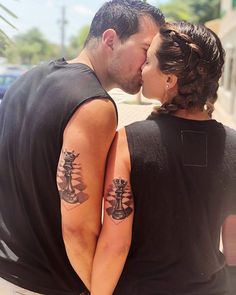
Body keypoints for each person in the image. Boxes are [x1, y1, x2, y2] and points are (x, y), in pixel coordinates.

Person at [0, 1, 164, 294]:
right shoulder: (94, 106)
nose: (149, 64)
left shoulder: (27, 81)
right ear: (110, 39)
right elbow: (78, 229)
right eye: (145, 50)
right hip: (47, 283)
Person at [91, 22, 236, 295]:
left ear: (170, 79)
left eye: (148, 61)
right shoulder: (234, 146)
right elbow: (233, 240)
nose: (141, 69)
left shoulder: (128, 141)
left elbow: (115, 245)